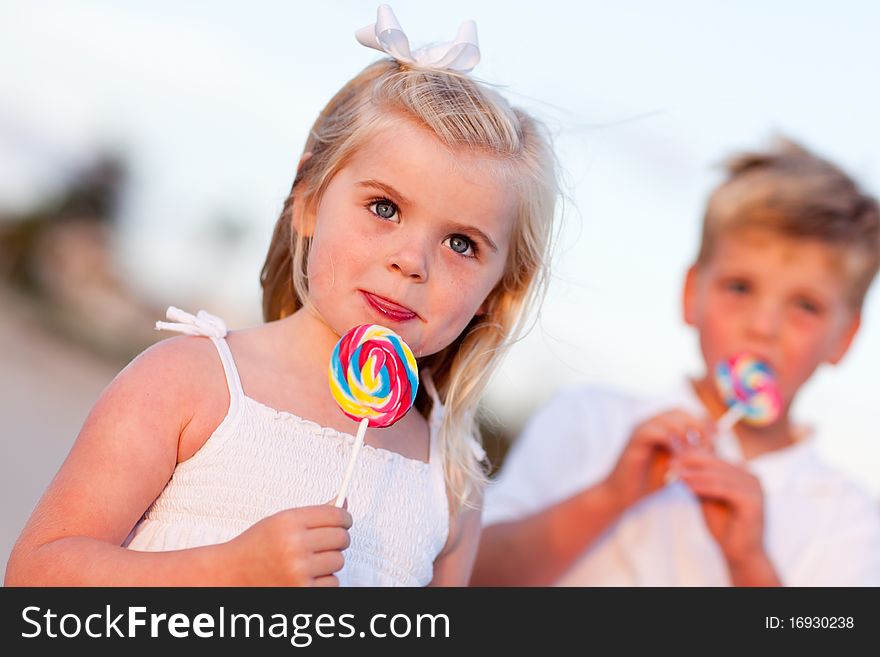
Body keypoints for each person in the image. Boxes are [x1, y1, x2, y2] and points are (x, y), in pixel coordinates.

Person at [5, 5, 558, 587]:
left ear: (500, 289)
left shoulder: (448, 486)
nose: (411, 261)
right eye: (384, 208)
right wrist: (228, 570)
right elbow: (36, 576)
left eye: (461, 243)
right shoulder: (190, 382)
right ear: (310, 198)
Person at [472, 139, 880, 586]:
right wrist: (609, 497)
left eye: (805, 305)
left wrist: (748, 562)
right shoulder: (590, 419)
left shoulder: (847, 517)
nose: (764, 326)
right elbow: (474, 578)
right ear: (691, 295)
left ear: (844, 337)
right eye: (740, 288)